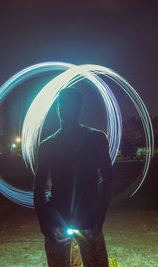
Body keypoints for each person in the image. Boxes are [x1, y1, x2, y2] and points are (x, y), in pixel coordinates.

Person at [34, 88, 114, 267]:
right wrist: (44, 222)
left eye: (71, 106)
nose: (66, 110)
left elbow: (108, 179)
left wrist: (99, 217)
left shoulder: (96, 139)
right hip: (58, 220)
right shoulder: (48, 145)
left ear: (80, 108)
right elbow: (38, 186)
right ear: (58, 109)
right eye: (63, 106)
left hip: (88, 218)